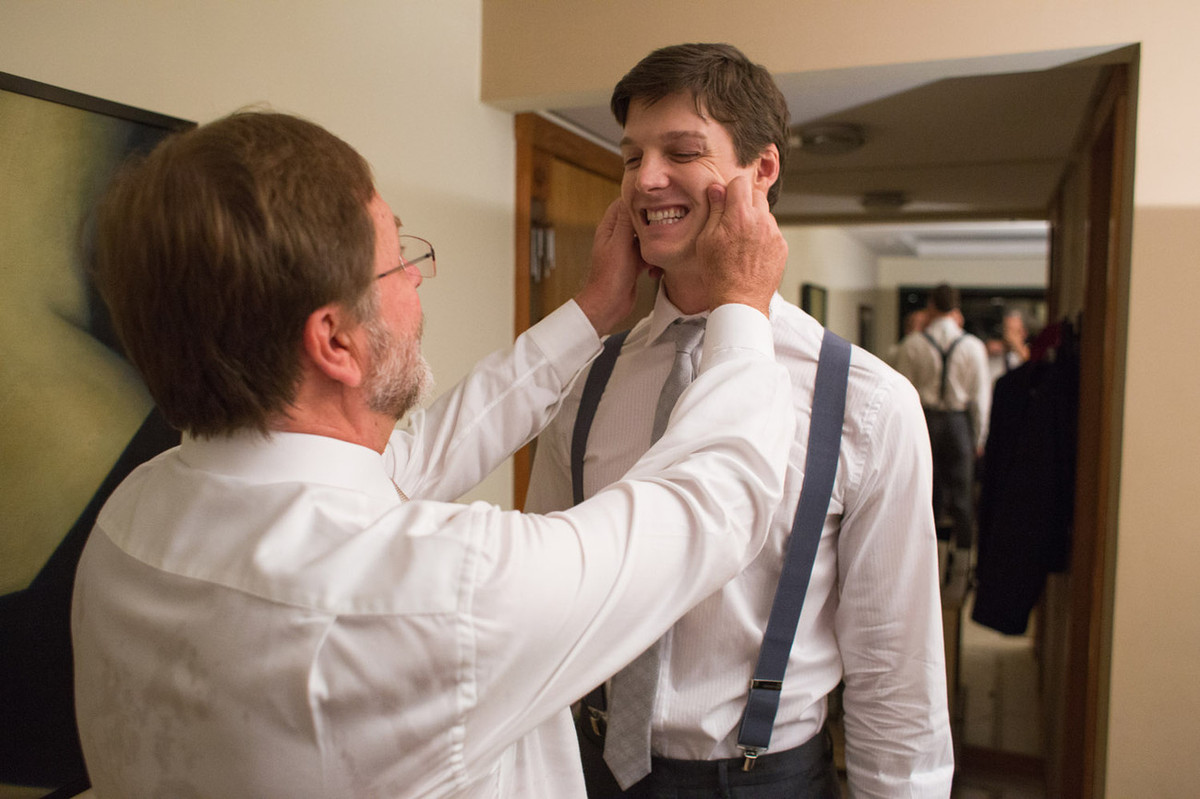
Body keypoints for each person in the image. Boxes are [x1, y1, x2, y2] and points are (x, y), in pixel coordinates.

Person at [70, 110, 798, 798]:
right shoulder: (450, 592)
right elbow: (713, 499)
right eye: (397, 263)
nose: (417, 279)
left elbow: (417, 457)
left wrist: (592, 314)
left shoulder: (131, 516)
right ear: (335, 342)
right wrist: (742, 304)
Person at [527, 44, 953, 797]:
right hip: (581, 766)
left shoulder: (867, 402)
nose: (644, 180)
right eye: (631, 157)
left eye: (681, 151)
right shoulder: (583, 378)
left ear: (762, 172)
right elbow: (540, 605)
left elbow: (896, 672)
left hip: (765, 778)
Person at [895, 283, 991, 553]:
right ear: (956, 307)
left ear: (930, 305)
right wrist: (979, 436)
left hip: (925, 421)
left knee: (927, 494)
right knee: (962, 496)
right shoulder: (973, 346)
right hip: (959, 423)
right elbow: (981, 399)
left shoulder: (912, 344)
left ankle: (930, 560)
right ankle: (963, 567)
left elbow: (903, 394)